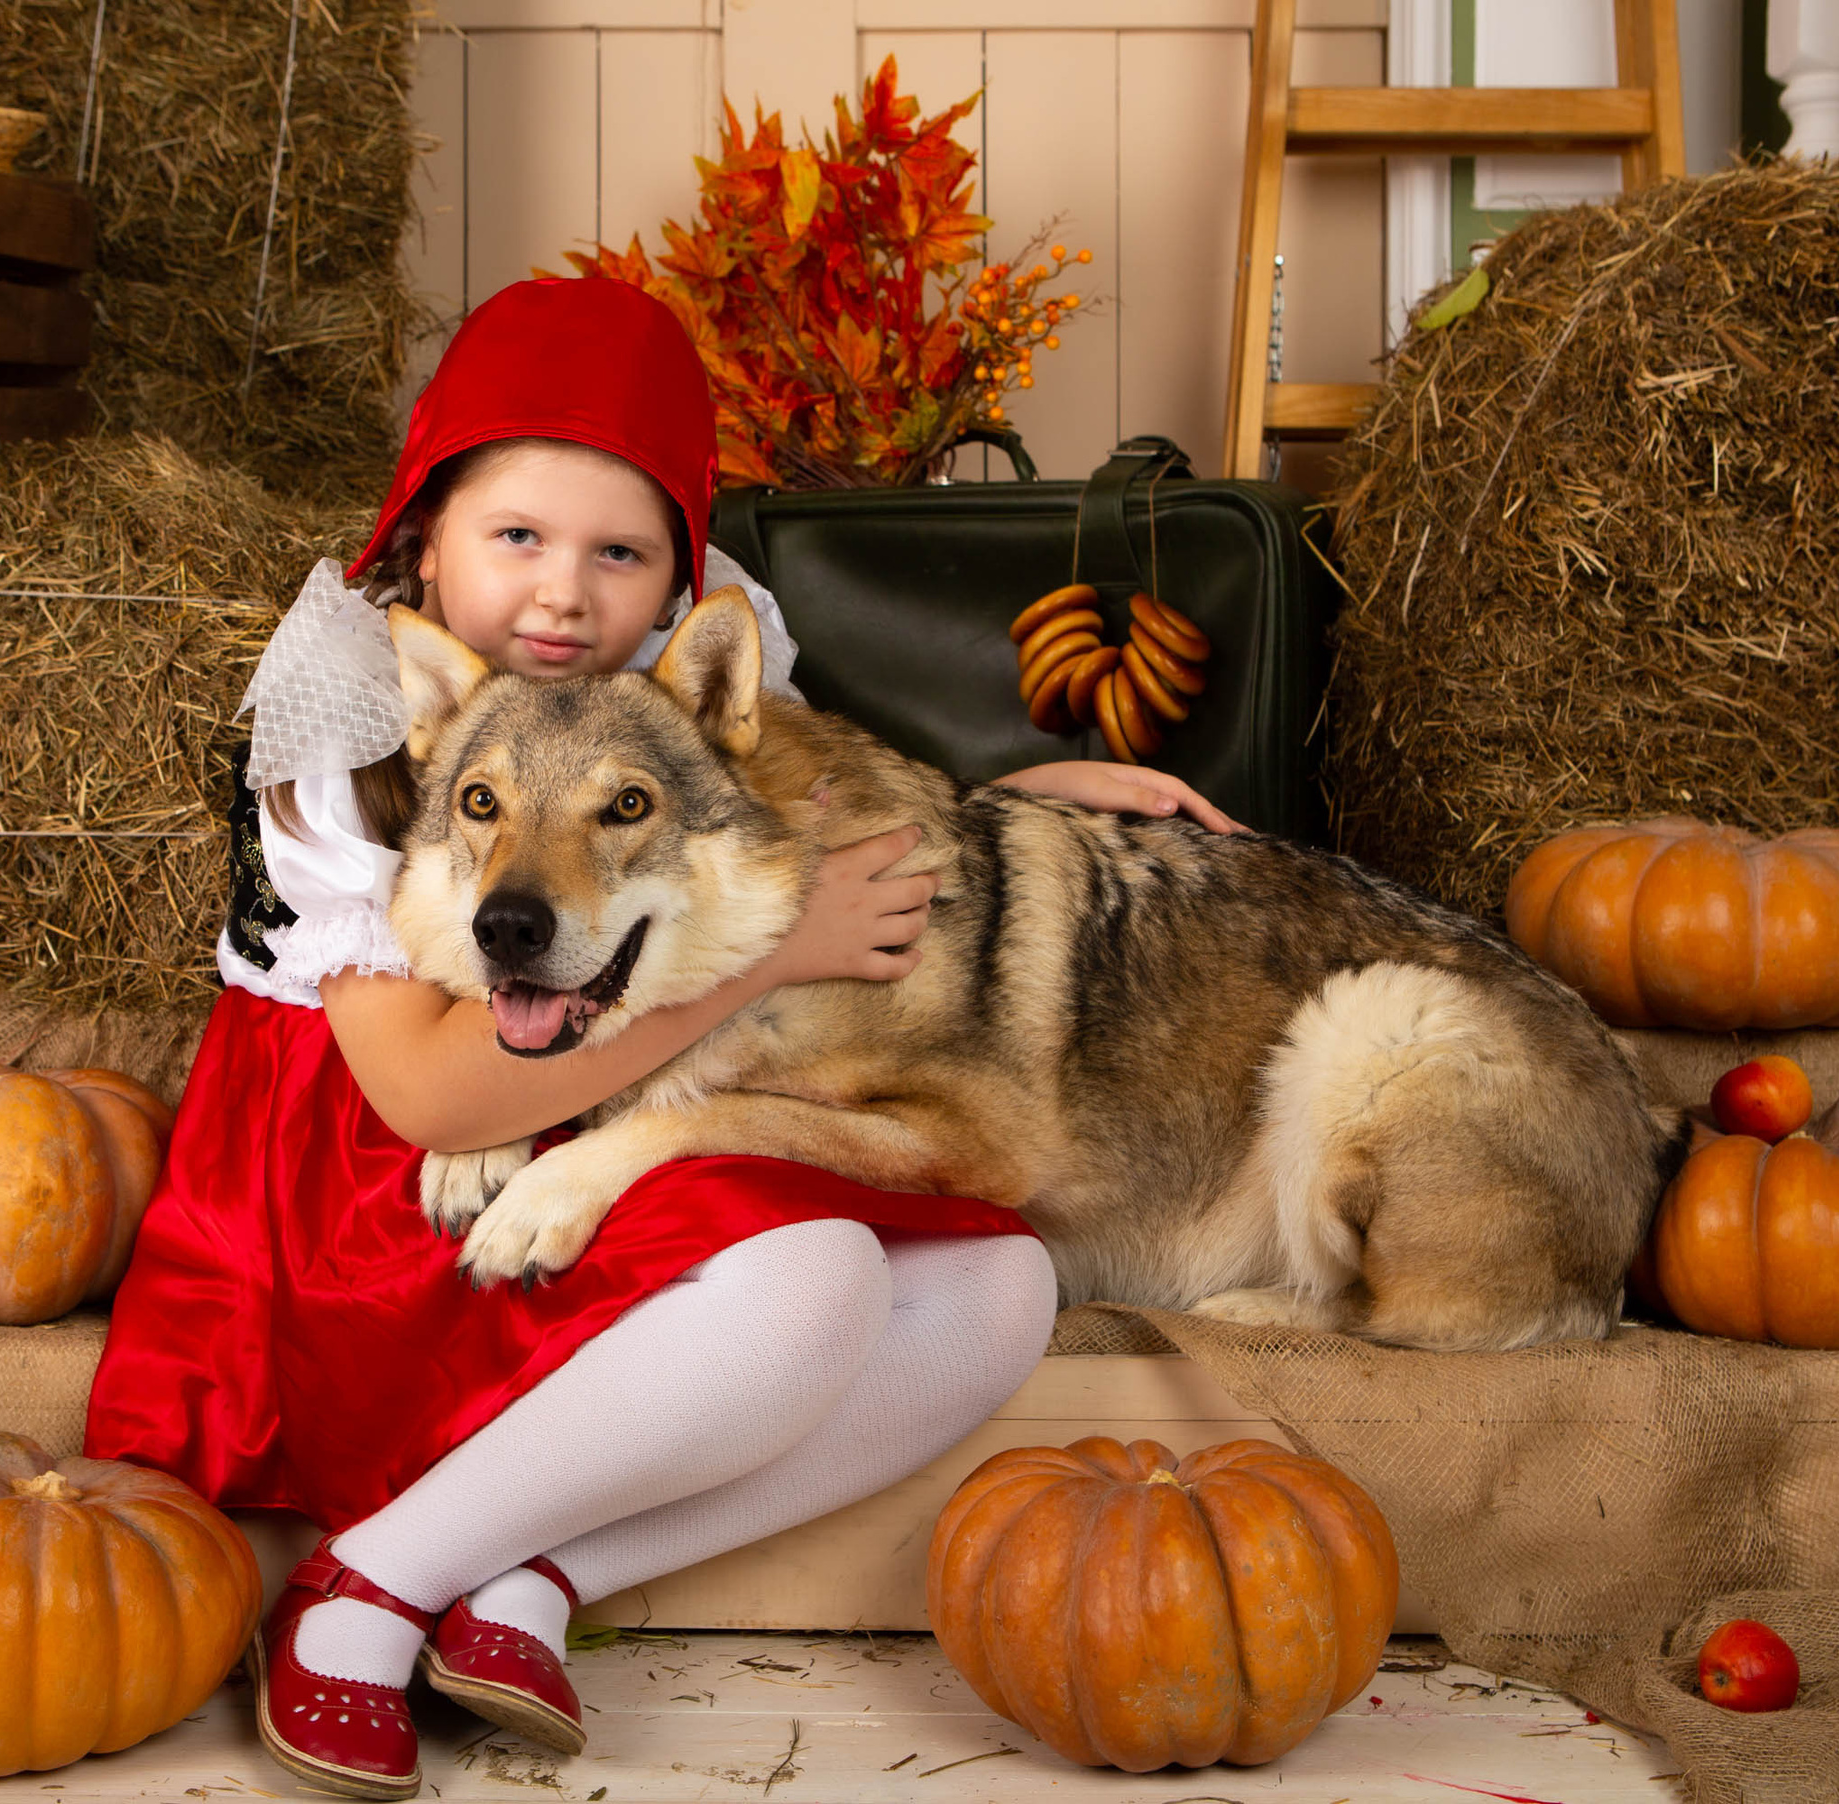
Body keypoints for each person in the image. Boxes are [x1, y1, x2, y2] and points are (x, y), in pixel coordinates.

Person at [82, 276, 1238, 1802]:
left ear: (679, 571)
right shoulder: (349, 711)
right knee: (815, 1279)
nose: (563, 595)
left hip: (609, 1092)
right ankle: (362, 1591)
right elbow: (429, 1093)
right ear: (427, 538)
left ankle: (536, 1576)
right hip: (387, 1160)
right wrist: (799, 945)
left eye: (618, 553)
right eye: (518, 541)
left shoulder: (695, 667)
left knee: (1001, 1283)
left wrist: (1011, 805)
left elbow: (779, 825)